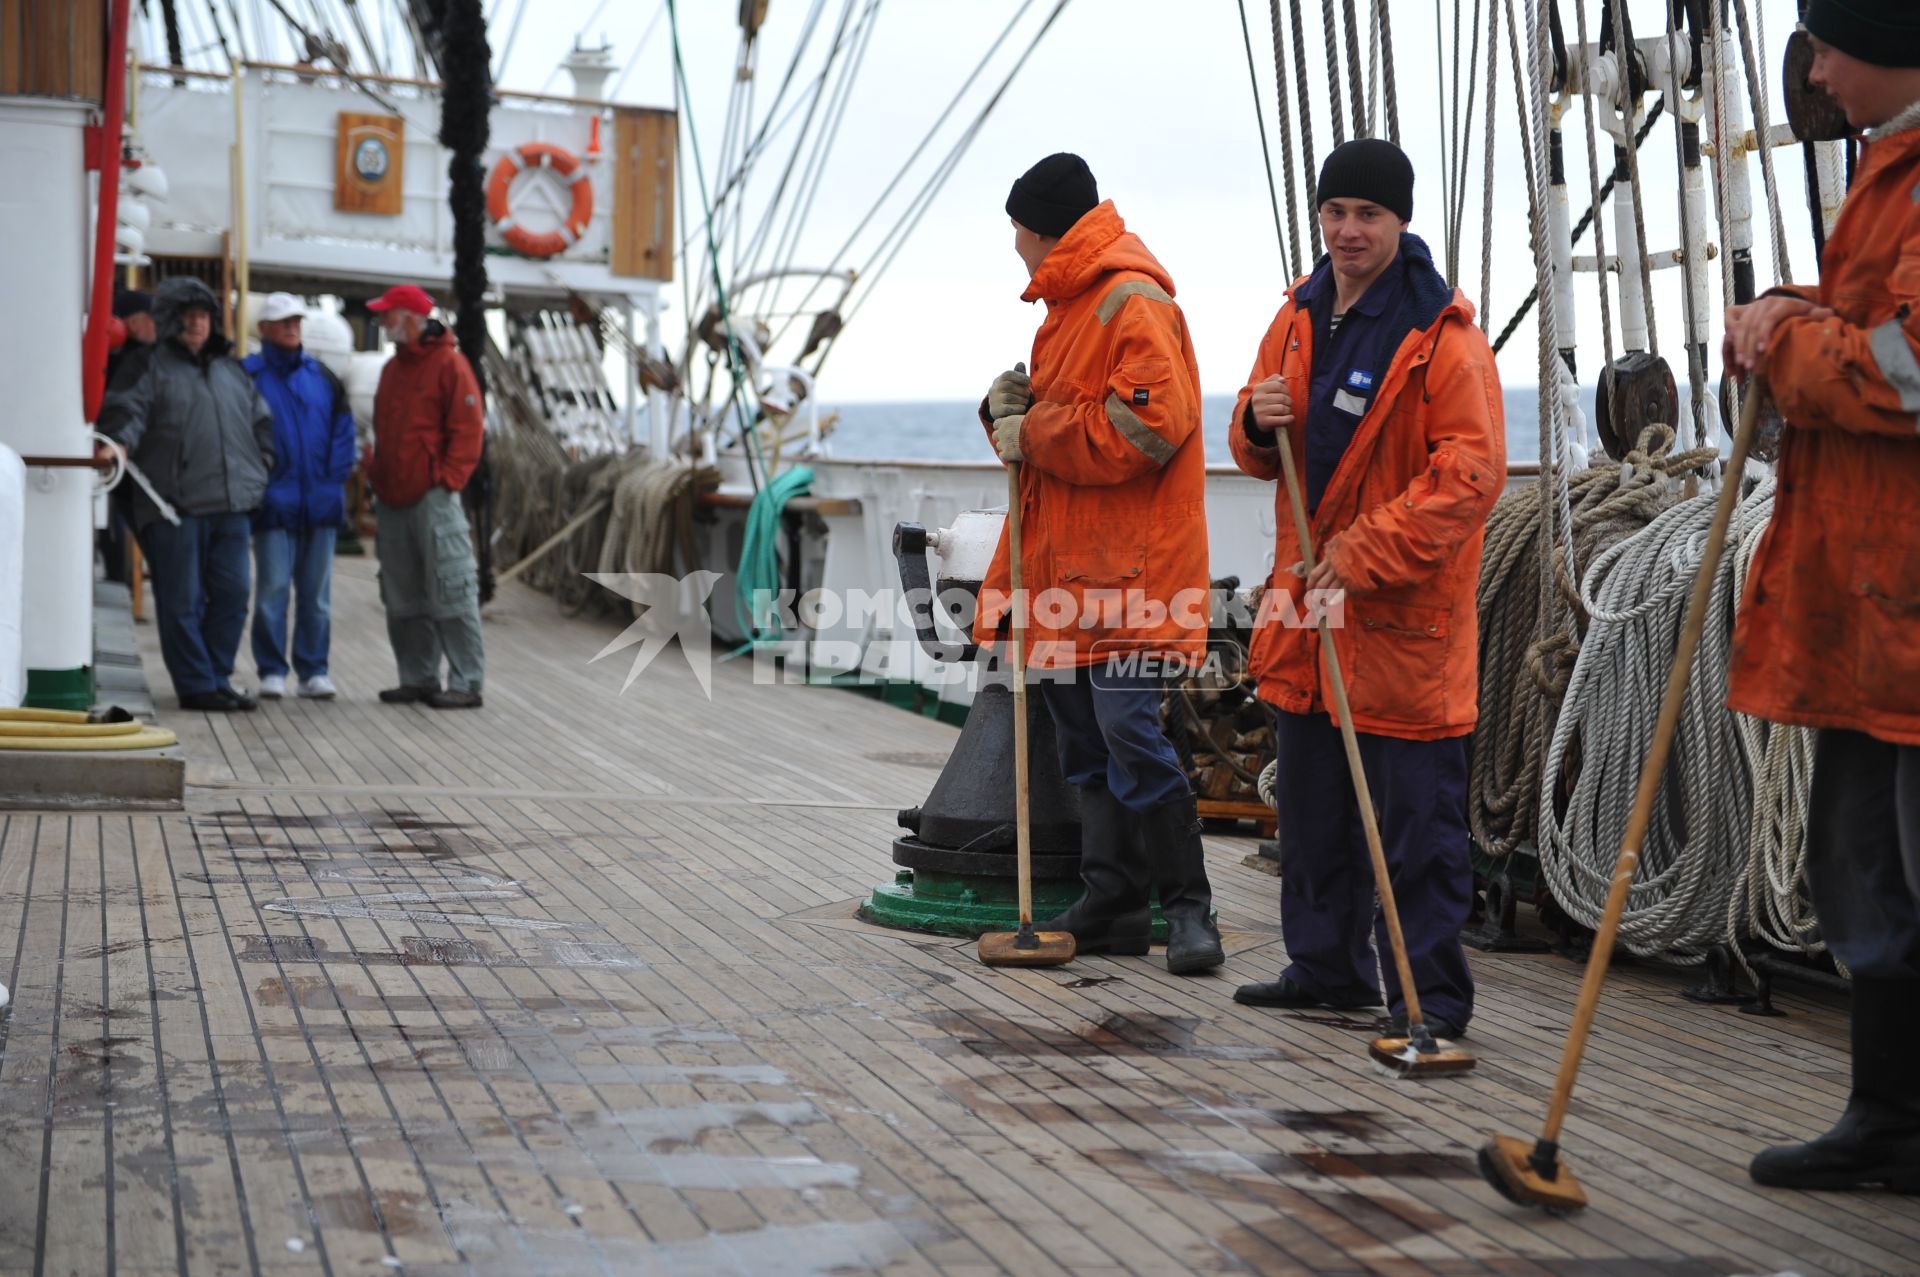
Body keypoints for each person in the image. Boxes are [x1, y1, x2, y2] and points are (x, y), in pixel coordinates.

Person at [1227, 139, 1503, 1037]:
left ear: (1401, 222)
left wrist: (1361, 551)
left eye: (1368, 215)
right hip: (1310, 611)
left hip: (1398, 619)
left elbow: (1469, 475)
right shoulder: (1299, 315)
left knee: (1413, 831)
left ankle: (1430, 1003)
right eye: (1335, 212)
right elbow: (1258, 450)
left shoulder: (1444, 336)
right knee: (1311, 812)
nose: (1347, 231)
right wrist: (1253, 421)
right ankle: (1324, 967)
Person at [1721, 0, 1920, 1194]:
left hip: (1902, 599)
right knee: (1868, 869)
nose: (1816, 71)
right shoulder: (1886, 175)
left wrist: (1786, 341)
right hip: (1868, 600)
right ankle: (1886, 1115)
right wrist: (1792, 310)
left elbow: (1907, 371)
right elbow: (1871, 324)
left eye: (1827, 47)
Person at [975, 152, 1222, 975]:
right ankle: (1113, 901)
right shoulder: (1069, 309)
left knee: (1129, 732)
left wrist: (1032, 427)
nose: (1016, 248)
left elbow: (1145, 431)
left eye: (1018, 233)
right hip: (1068, 577)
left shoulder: (1129, 301)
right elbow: (1051, 437)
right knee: (1085, 742)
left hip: (1129, 577)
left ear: (1043, 230)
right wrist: (1008, 412)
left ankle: (1190, 910)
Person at [98, 276, 274, 712]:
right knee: (183, 600)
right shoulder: (146, 365)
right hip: (172, 506)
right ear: (169, 319)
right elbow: (127, 411)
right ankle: (196, 686)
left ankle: (216, 677)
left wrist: (262, 465)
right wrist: (117, 443)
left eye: (204, 315)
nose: (197, 323)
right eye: (188, 315)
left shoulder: (231, 369)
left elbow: (261, 421)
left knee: (233, 595)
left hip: (232, 504)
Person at [365, 283, 486, 709]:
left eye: (388, 315)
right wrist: (377, 474)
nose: (382, 322)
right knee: (401, 594)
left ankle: (467, 682)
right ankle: (417, 677)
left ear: (410, 319)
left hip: (432, 497)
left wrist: (447, 480)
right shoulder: (392, 370)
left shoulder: (450, 365)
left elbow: (469, 429)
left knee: (451, 588)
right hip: (393, 498)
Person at [243, 292, 356, 700]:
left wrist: (332, 481)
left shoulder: (323, 377)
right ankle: (272, 669)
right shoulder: (249, 376)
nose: (292, 326)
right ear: (264, 330)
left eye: (296, 320)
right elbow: (242, 438)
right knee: (272, 590)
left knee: (316, 596)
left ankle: (313, 671)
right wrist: (262, 487)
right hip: (274, 504)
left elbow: (344, 435)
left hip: (320, 505)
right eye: (283, 321)